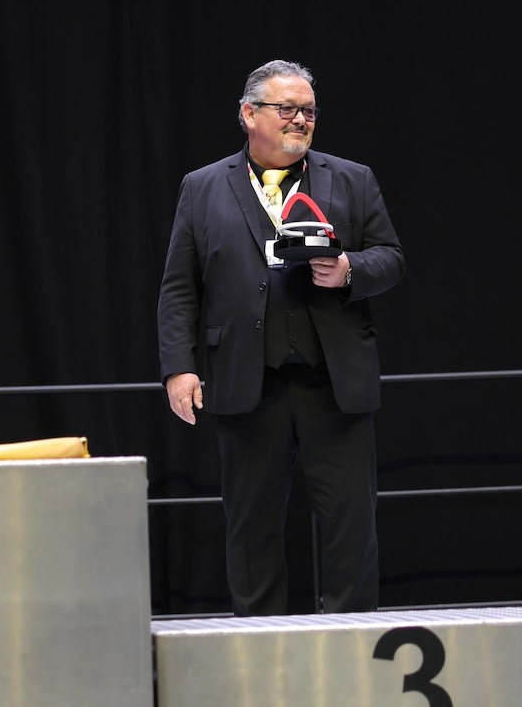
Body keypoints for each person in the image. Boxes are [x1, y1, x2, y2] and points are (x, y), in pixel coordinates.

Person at [157, 59, 405, 616]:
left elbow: (392, 258)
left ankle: (350, 643)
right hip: (247, 381)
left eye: (309, 111)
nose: (301, 120)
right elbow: (179, 287)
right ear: (249, 114)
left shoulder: (353, 178)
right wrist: (179, 366)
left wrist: (349, 270)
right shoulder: (202, 187)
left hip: (333, 381)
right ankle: (259, 649)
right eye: (287, 108)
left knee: (350, 524)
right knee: (251, 527)